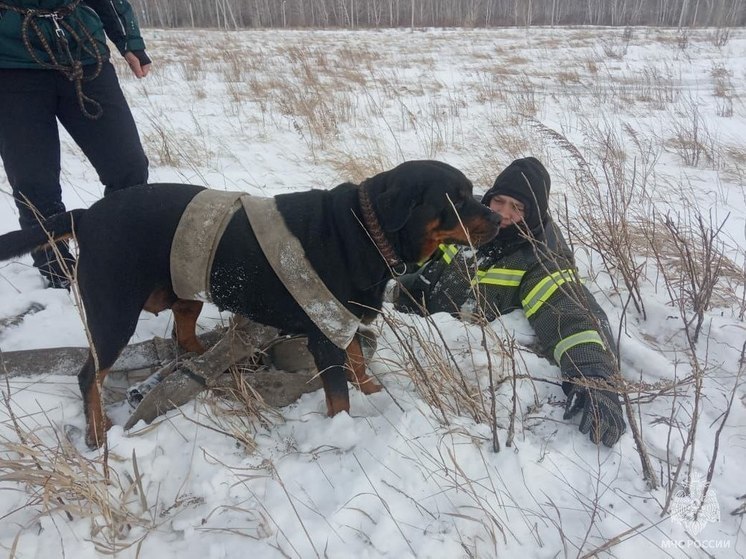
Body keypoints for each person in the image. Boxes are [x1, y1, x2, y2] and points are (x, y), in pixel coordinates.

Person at [394, 157, 626, 447]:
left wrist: (595, 378)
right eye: (499, 201)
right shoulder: (471, 217)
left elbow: (571, 314)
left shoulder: (542, 257)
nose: (503, 213)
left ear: (534, 213)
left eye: (517, 207)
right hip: (407, 323)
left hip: (452, 366)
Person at [0, 0, 151, 288]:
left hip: (83, 51)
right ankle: (58, 271)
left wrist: (129, 41)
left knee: (128, 166)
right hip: (10, 65)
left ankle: (125, 254)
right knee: (33, 180)